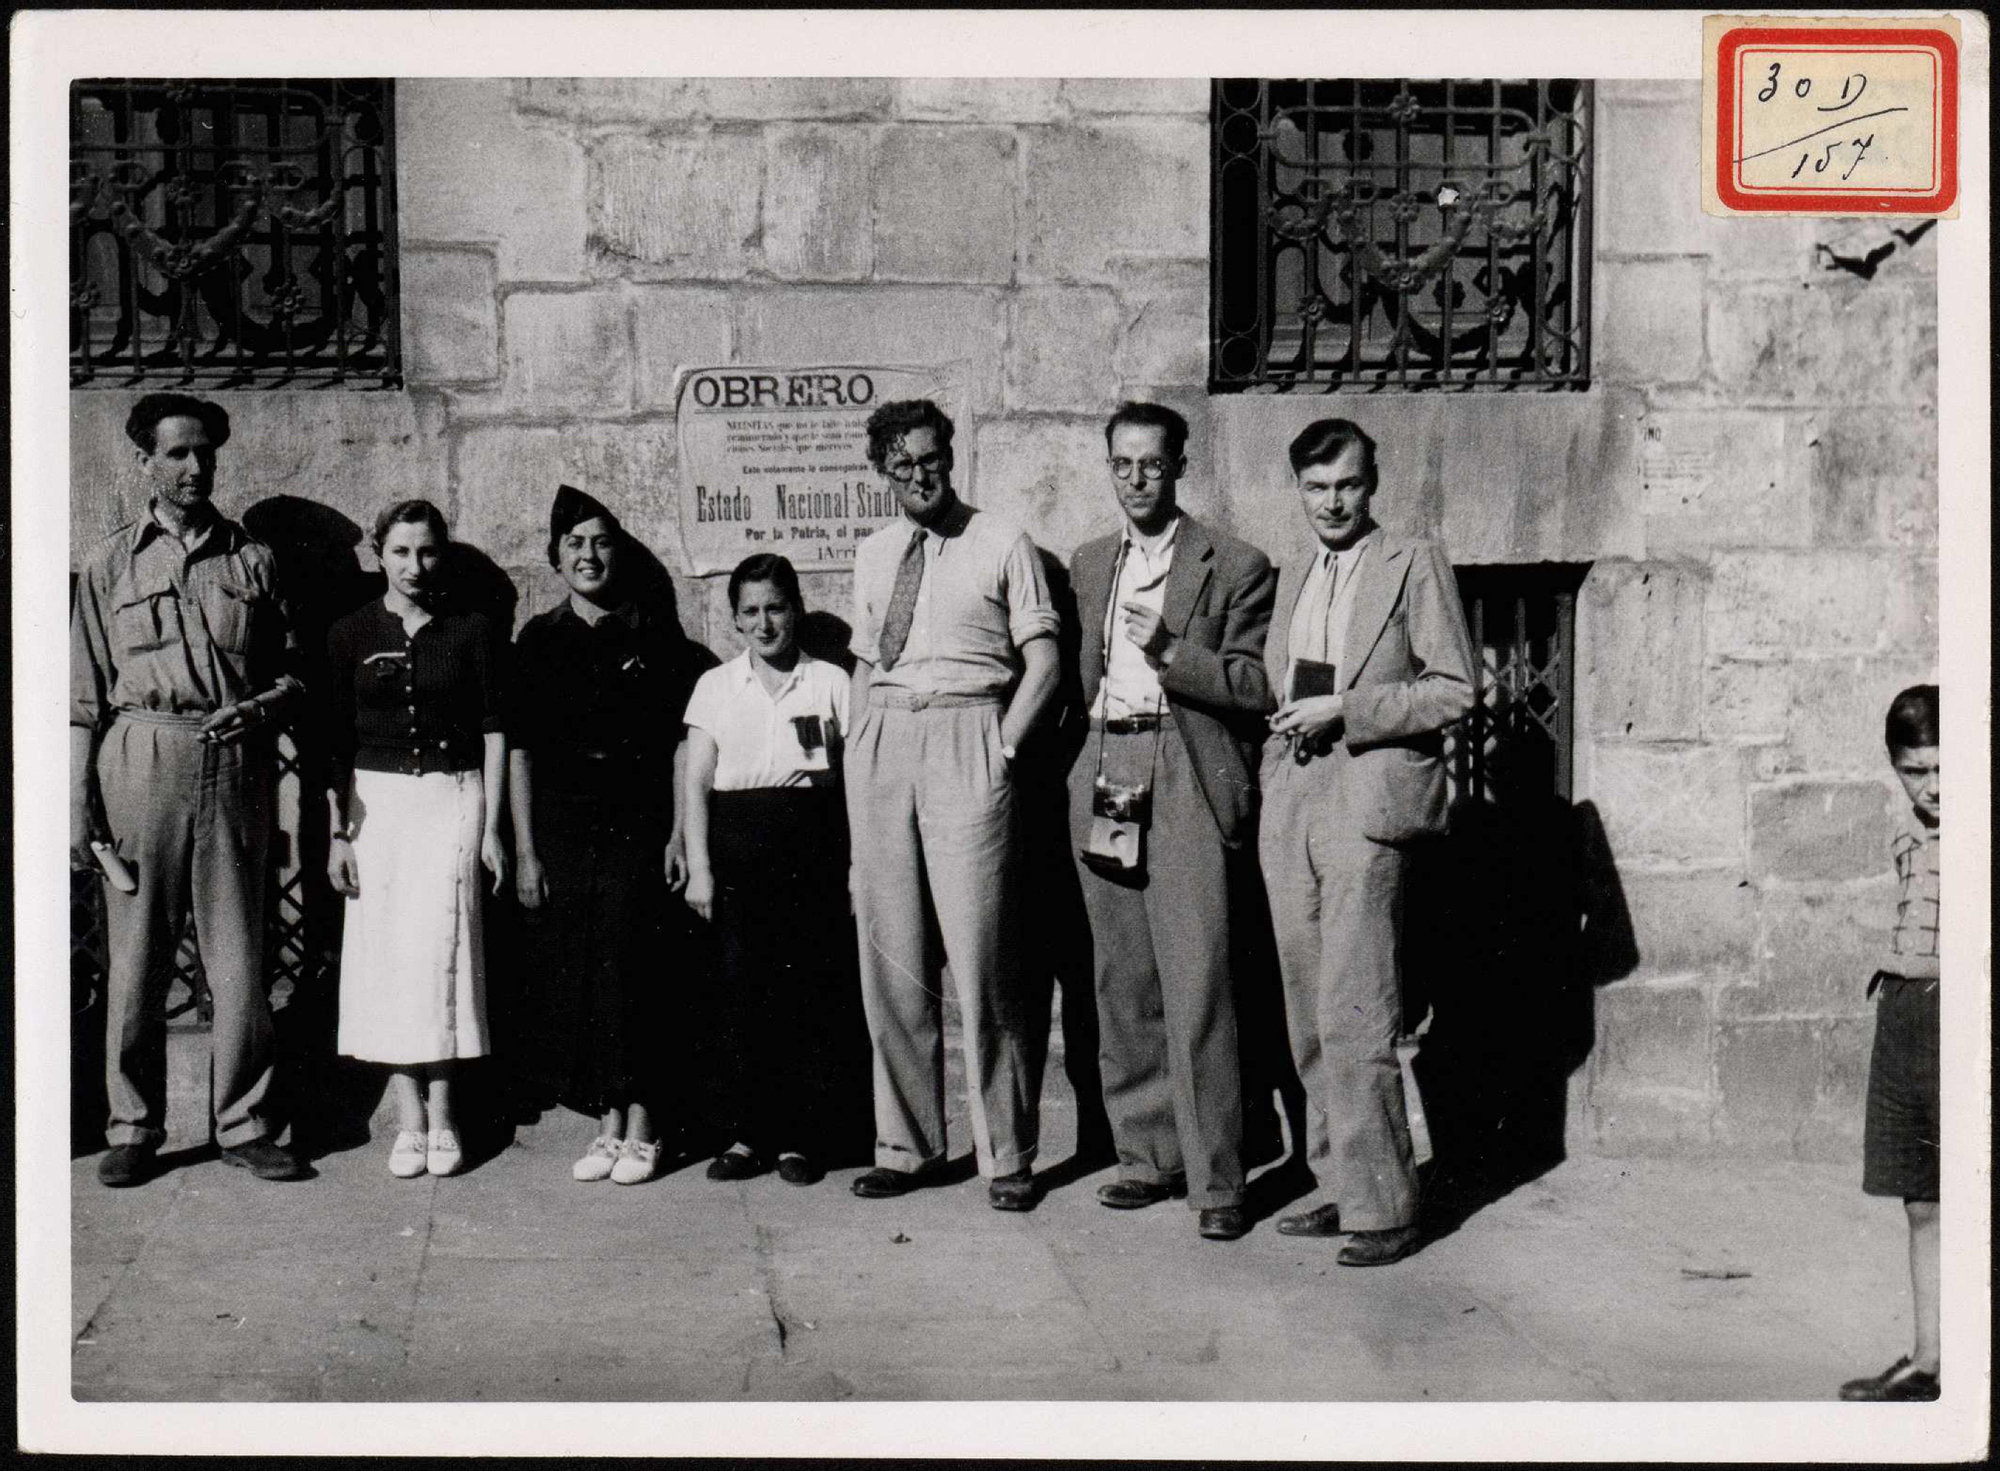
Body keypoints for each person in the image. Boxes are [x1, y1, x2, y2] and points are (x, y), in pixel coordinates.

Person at [70, 392, 310, 1186]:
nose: (193, 466)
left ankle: (243, 1120)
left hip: (234, 761)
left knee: (240, 953)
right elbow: (83, 694)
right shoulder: (111, 563)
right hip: (142, 756)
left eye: (203, 452)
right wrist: (77, 803)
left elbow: (292, 674)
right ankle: (135, 1125)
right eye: (175, 453)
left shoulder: (253, 559)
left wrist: (264, 706)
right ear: (145, 462)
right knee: (136, 954)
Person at [1258, 419, 1475, 1266]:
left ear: (1372, 482)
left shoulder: (1411, 559)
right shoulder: (1300, 571)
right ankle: (1339, 1182)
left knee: (1357, 1008)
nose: (1333, 502)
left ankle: (1385, 1205)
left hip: (1367, 799)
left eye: (1346, 484)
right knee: (1308, 1005)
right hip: (1297, 795)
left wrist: (1348, 711)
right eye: (1316, 488)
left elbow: (1454, 688)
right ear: (1299, 491)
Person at [844, 399, 1062, 1211]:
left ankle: (1007, 1155)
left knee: (984, 956)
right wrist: (860, 742)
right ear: (882, 472)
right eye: (902, 466)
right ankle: (907, 1144)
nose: (919, 476)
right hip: (885, 744)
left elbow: (1042, 662)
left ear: (950, 454)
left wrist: (1001, 749)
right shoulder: (873, 554)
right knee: (891, 954)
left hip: (971, 731)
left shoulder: (1000, 541)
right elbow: (868, 657)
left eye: (931, 459)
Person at [1066, 402, 1276, 1242]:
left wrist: (1169, 652)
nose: (1137, 479)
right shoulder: (1089, 562)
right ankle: (1148, 1154)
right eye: (1122, 464)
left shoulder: (1236, 563)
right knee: (1126, 976)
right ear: (1108, 467)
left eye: (1152, 463)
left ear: (1180, 464)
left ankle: (1218, 1178)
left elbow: (1257, 684)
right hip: (1107, 762)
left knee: (1199, 978)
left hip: (1184, 763)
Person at [510, 485, 701, 1187]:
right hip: (565, 826)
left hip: (636, 820)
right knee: (585, 969)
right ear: (556, 558)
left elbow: (683, 745)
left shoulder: (654, 638)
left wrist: (681, 833)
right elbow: (522, 750)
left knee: (637, 964)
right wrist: (527, 851)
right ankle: (605, 1121)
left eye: (600, 541)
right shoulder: (538, 640)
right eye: (575, 544)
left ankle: (645, 1124)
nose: (588, 555)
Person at [325, 500, 508, 1179]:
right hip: (377, 810)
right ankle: (409, 1115)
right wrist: (338, 834)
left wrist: (492, 828)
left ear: (443, 555)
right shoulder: (350, 632)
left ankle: (446, 1111)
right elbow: (334, 744)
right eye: (400, 551)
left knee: (445, 954)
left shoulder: (472, 630)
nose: (414, 565)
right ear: (379, 554)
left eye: (426, 551)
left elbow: (494, 730)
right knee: (392, 961)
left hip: (451, 799)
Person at [681, 553, 868, 1187]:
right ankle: (745, 1134)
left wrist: (852, 869)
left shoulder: (831, 683)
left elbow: (856, 785)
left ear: (797, 610)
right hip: (739, 858)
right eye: (751, 612)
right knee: (740, 997)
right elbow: (696, 783)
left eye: (776, 609)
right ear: (735, 619)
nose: (765, 625)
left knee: (811, 997)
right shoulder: (715, 687)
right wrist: (700, 867)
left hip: (811, 856)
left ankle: (801, 1136)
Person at [1839, 685, 1942, 1402]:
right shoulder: (1906, 828)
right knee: (1921, 1199)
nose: (1932, 787)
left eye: (1943, 769)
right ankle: (1930, 1356)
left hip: (1959, 1012)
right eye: (1915, 771)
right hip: (1905, 1012)